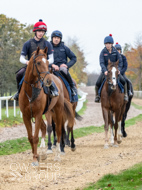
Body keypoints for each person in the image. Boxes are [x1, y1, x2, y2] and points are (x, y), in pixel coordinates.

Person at [13, 19, 58, 100]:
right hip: (30, 67)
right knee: (19, 74)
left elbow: (52, 59)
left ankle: (53, 89)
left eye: (43, 31)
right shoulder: (27, 43)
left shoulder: (48, 44)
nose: (41, 33)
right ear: (35, 31)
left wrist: (45, 63)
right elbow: (21, 58)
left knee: (50, 75)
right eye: (39, 31)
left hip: (43, 67)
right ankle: (18, 92)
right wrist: (28, 62)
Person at [95, 34, 128, 103]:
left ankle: (125, 95)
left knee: (123, 81)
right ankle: (97, 96)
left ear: (112, 44)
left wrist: (118, 69)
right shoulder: (103, 52)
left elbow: (120, 61)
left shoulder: (116, 52)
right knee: (97, 83)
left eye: (109, 43)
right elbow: (101, 62)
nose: (107, 45)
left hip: (114, 71)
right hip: (106, 71)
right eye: (106, 44)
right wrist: (104, 70)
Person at [50, 30, 77, 95]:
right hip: (51, 67)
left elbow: (74, 58)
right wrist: (52, 65)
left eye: (58, 38)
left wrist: (67, 65)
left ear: (60, 39)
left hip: (61, 68)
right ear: (52, 38)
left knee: (64, 70)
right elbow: (44, 59)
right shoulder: (47, 47)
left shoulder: (65, 48)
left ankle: (72, 87)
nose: (56, 39)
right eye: (55, 38)